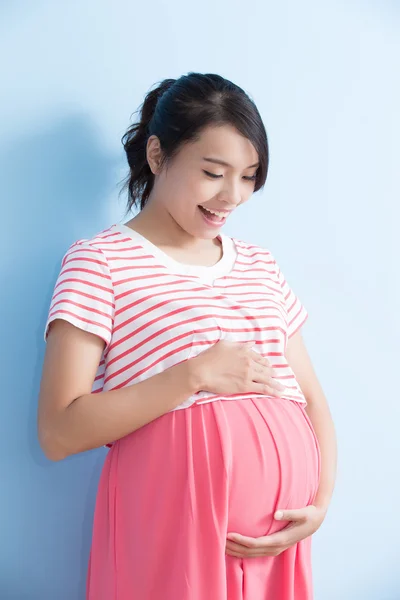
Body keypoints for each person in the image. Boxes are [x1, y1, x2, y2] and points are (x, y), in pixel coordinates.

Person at [37, 72, 337, 600]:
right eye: (213, 172)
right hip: (171, 528)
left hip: (279, 546)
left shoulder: (261, 266)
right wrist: (193, 374)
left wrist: (320, 504)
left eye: (249, 176)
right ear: (158, 155)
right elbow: (58, 430)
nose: (233, 196)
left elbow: (309, 397)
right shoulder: (100, 263)